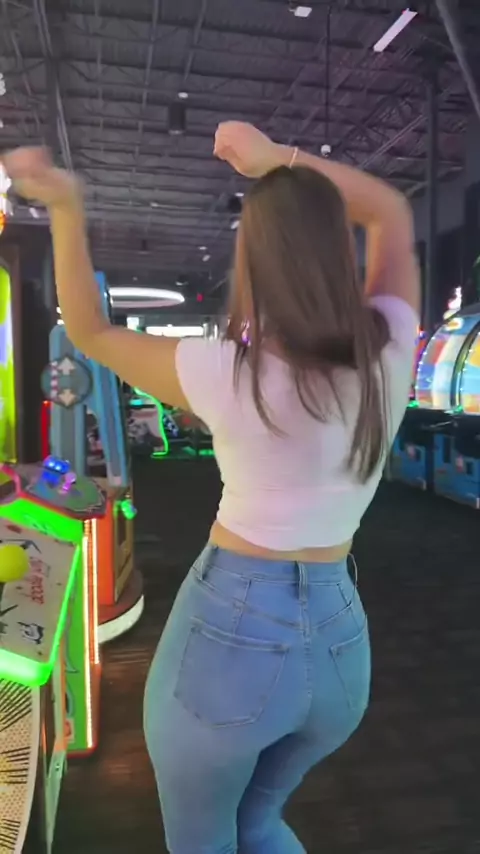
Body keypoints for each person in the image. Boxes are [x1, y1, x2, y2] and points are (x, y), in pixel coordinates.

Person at [2, 122, 419, 854]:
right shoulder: (387, 347)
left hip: (235, 636)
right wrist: (280, 159)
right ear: (336, 250)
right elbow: (390, 210)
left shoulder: (227, 370)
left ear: (253, 258)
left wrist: (66, 206)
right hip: (340, 646)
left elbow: (89, 332)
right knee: (258, 824)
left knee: (204, 841)